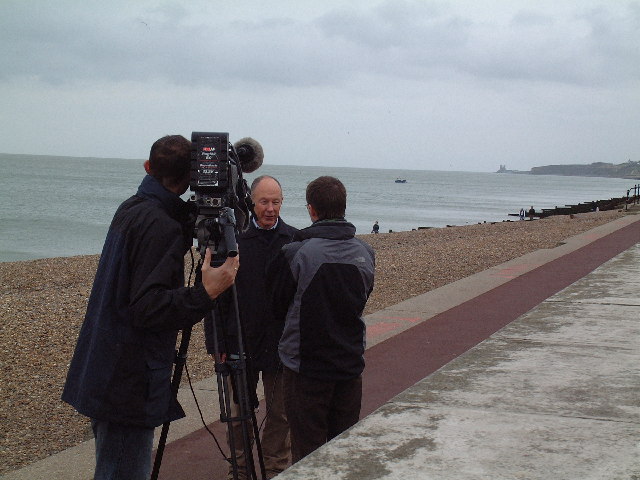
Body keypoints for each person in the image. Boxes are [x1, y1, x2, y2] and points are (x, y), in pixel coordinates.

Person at [62, 135, 239, 480]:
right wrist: (205, 292)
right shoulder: (160, 225)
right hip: (127, 381)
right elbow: (148, 307)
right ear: (190, 178)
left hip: (107, 368)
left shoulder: (134, 207)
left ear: (148, 168)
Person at [267, 176, 375, 463]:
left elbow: (277, 303)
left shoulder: (297, 252)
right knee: (342, 451)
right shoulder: (366, 252)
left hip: (306, 368)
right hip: (349, 364)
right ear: (343, 207)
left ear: (311, 210)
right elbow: (362, 298)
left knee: (307, 453)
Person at [204, 175, 297, 479]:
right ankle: (241, 471)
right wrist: (215, 345)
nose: (270, 209)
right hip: (238, 344)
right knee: (237, 416)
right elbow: (214, 297)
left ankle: (275, 470)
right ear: (252, 202)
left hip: (281, 346)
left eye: (276, 202)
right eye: (264, 202)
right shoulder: (235, 246)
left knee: (280, 415)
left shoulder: (296, 241)